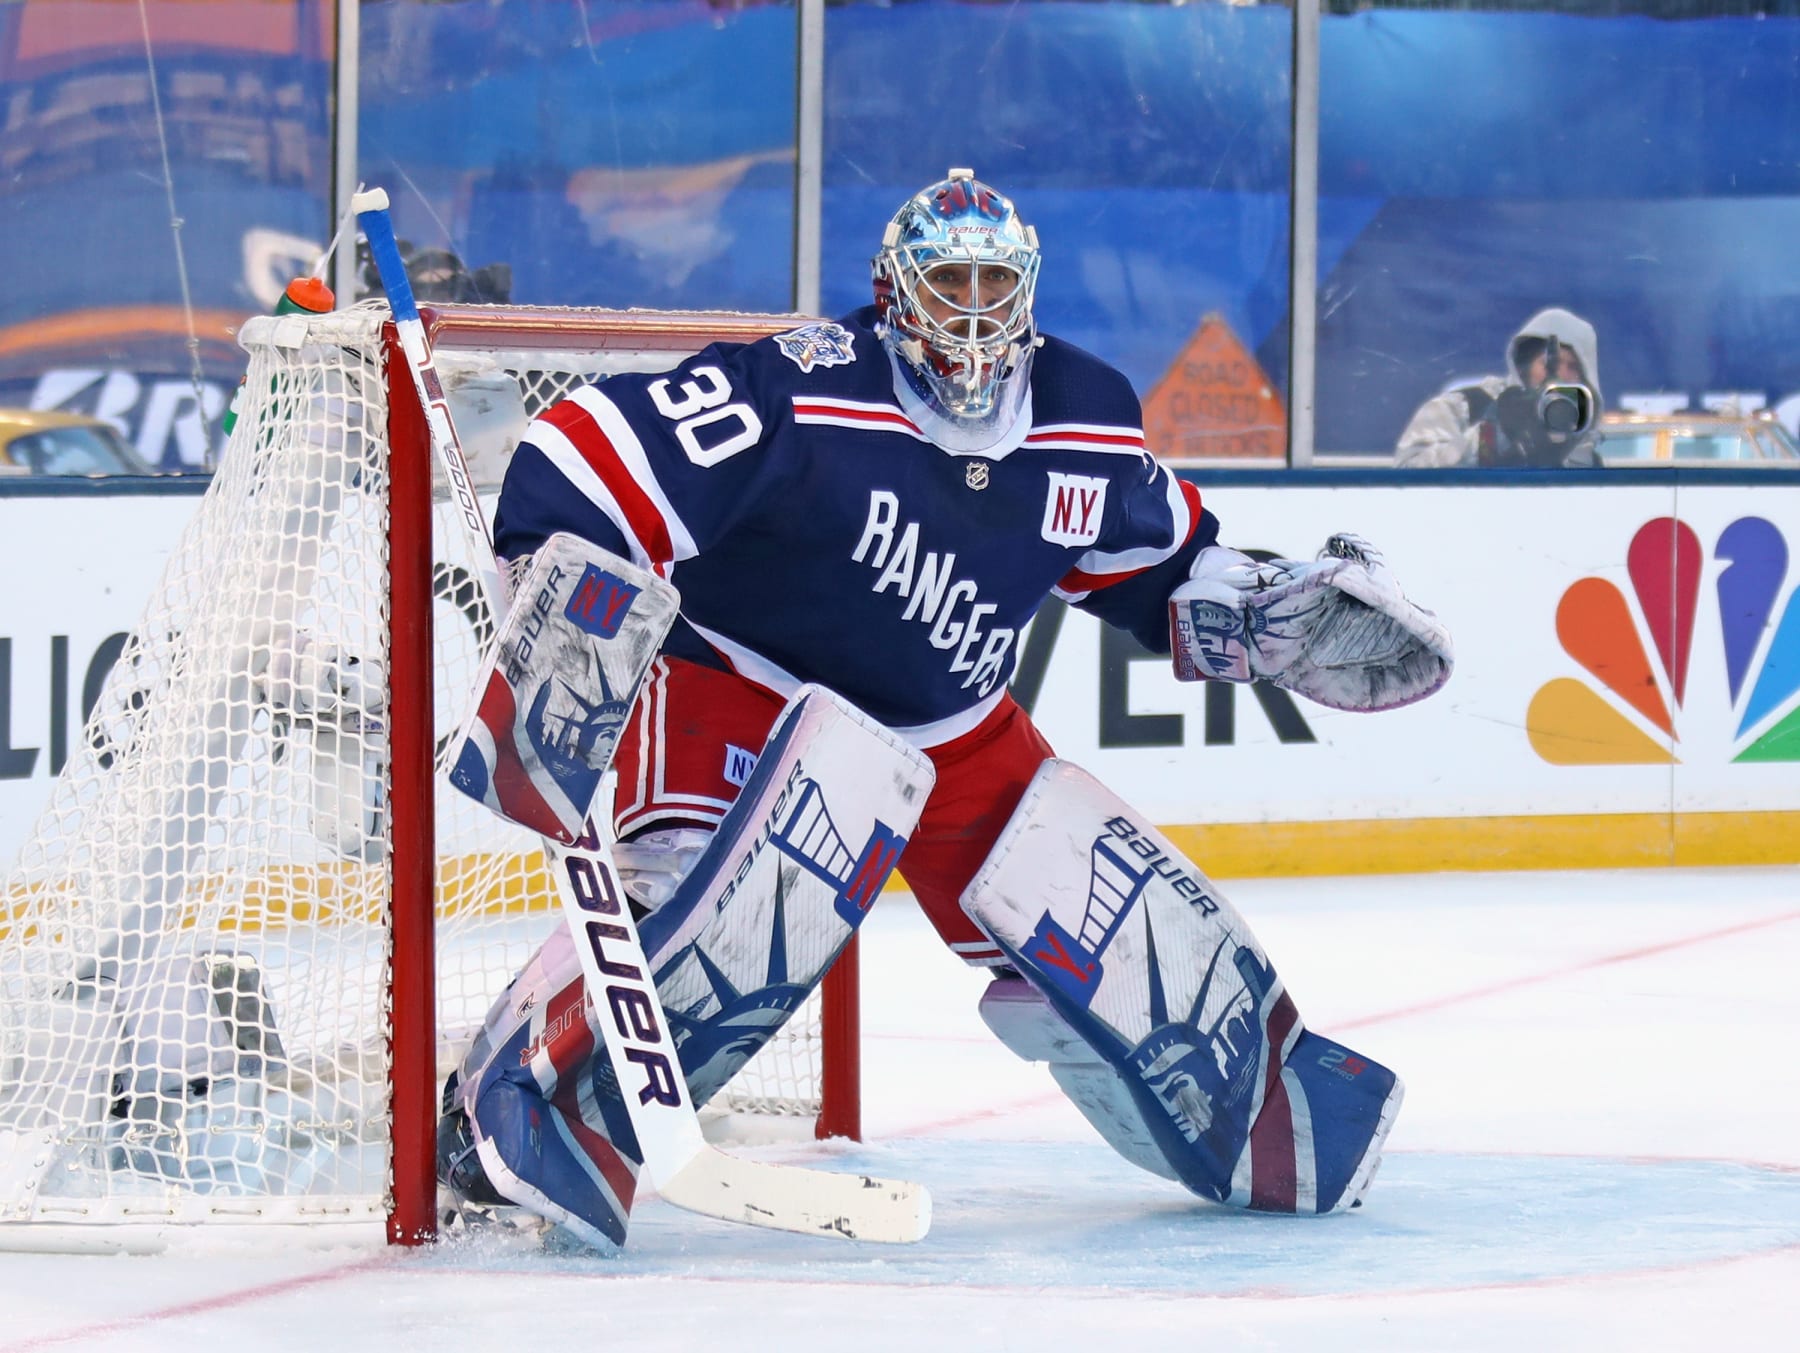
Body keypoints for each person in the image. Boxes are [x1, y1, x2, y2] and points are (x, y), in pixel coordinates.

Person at [434, 169, 1453, 1248]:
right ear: (891, 293)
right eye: (947, 285)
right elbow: (588, 455)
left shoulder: (1087, 416)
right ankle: (508, 1104)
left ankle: (1263, 1119)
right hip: (742, 690)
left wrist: (1247, 606)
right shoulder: (800, 387)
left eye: (993, 285)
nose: (971, 313)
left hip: (953, 729)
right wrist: (557, 561)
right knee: (720, 923)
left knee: (1121, 937)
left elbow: (1158, 561)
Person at [1396, 307, 1604, 468]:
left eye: (1573, 367)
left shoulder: (1583, 449)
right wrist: (1489, 440)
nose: (1560, 375)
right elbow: (1404, 476)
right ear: (1525, 365)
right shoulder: (1463, 408)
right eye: (1549, 364)